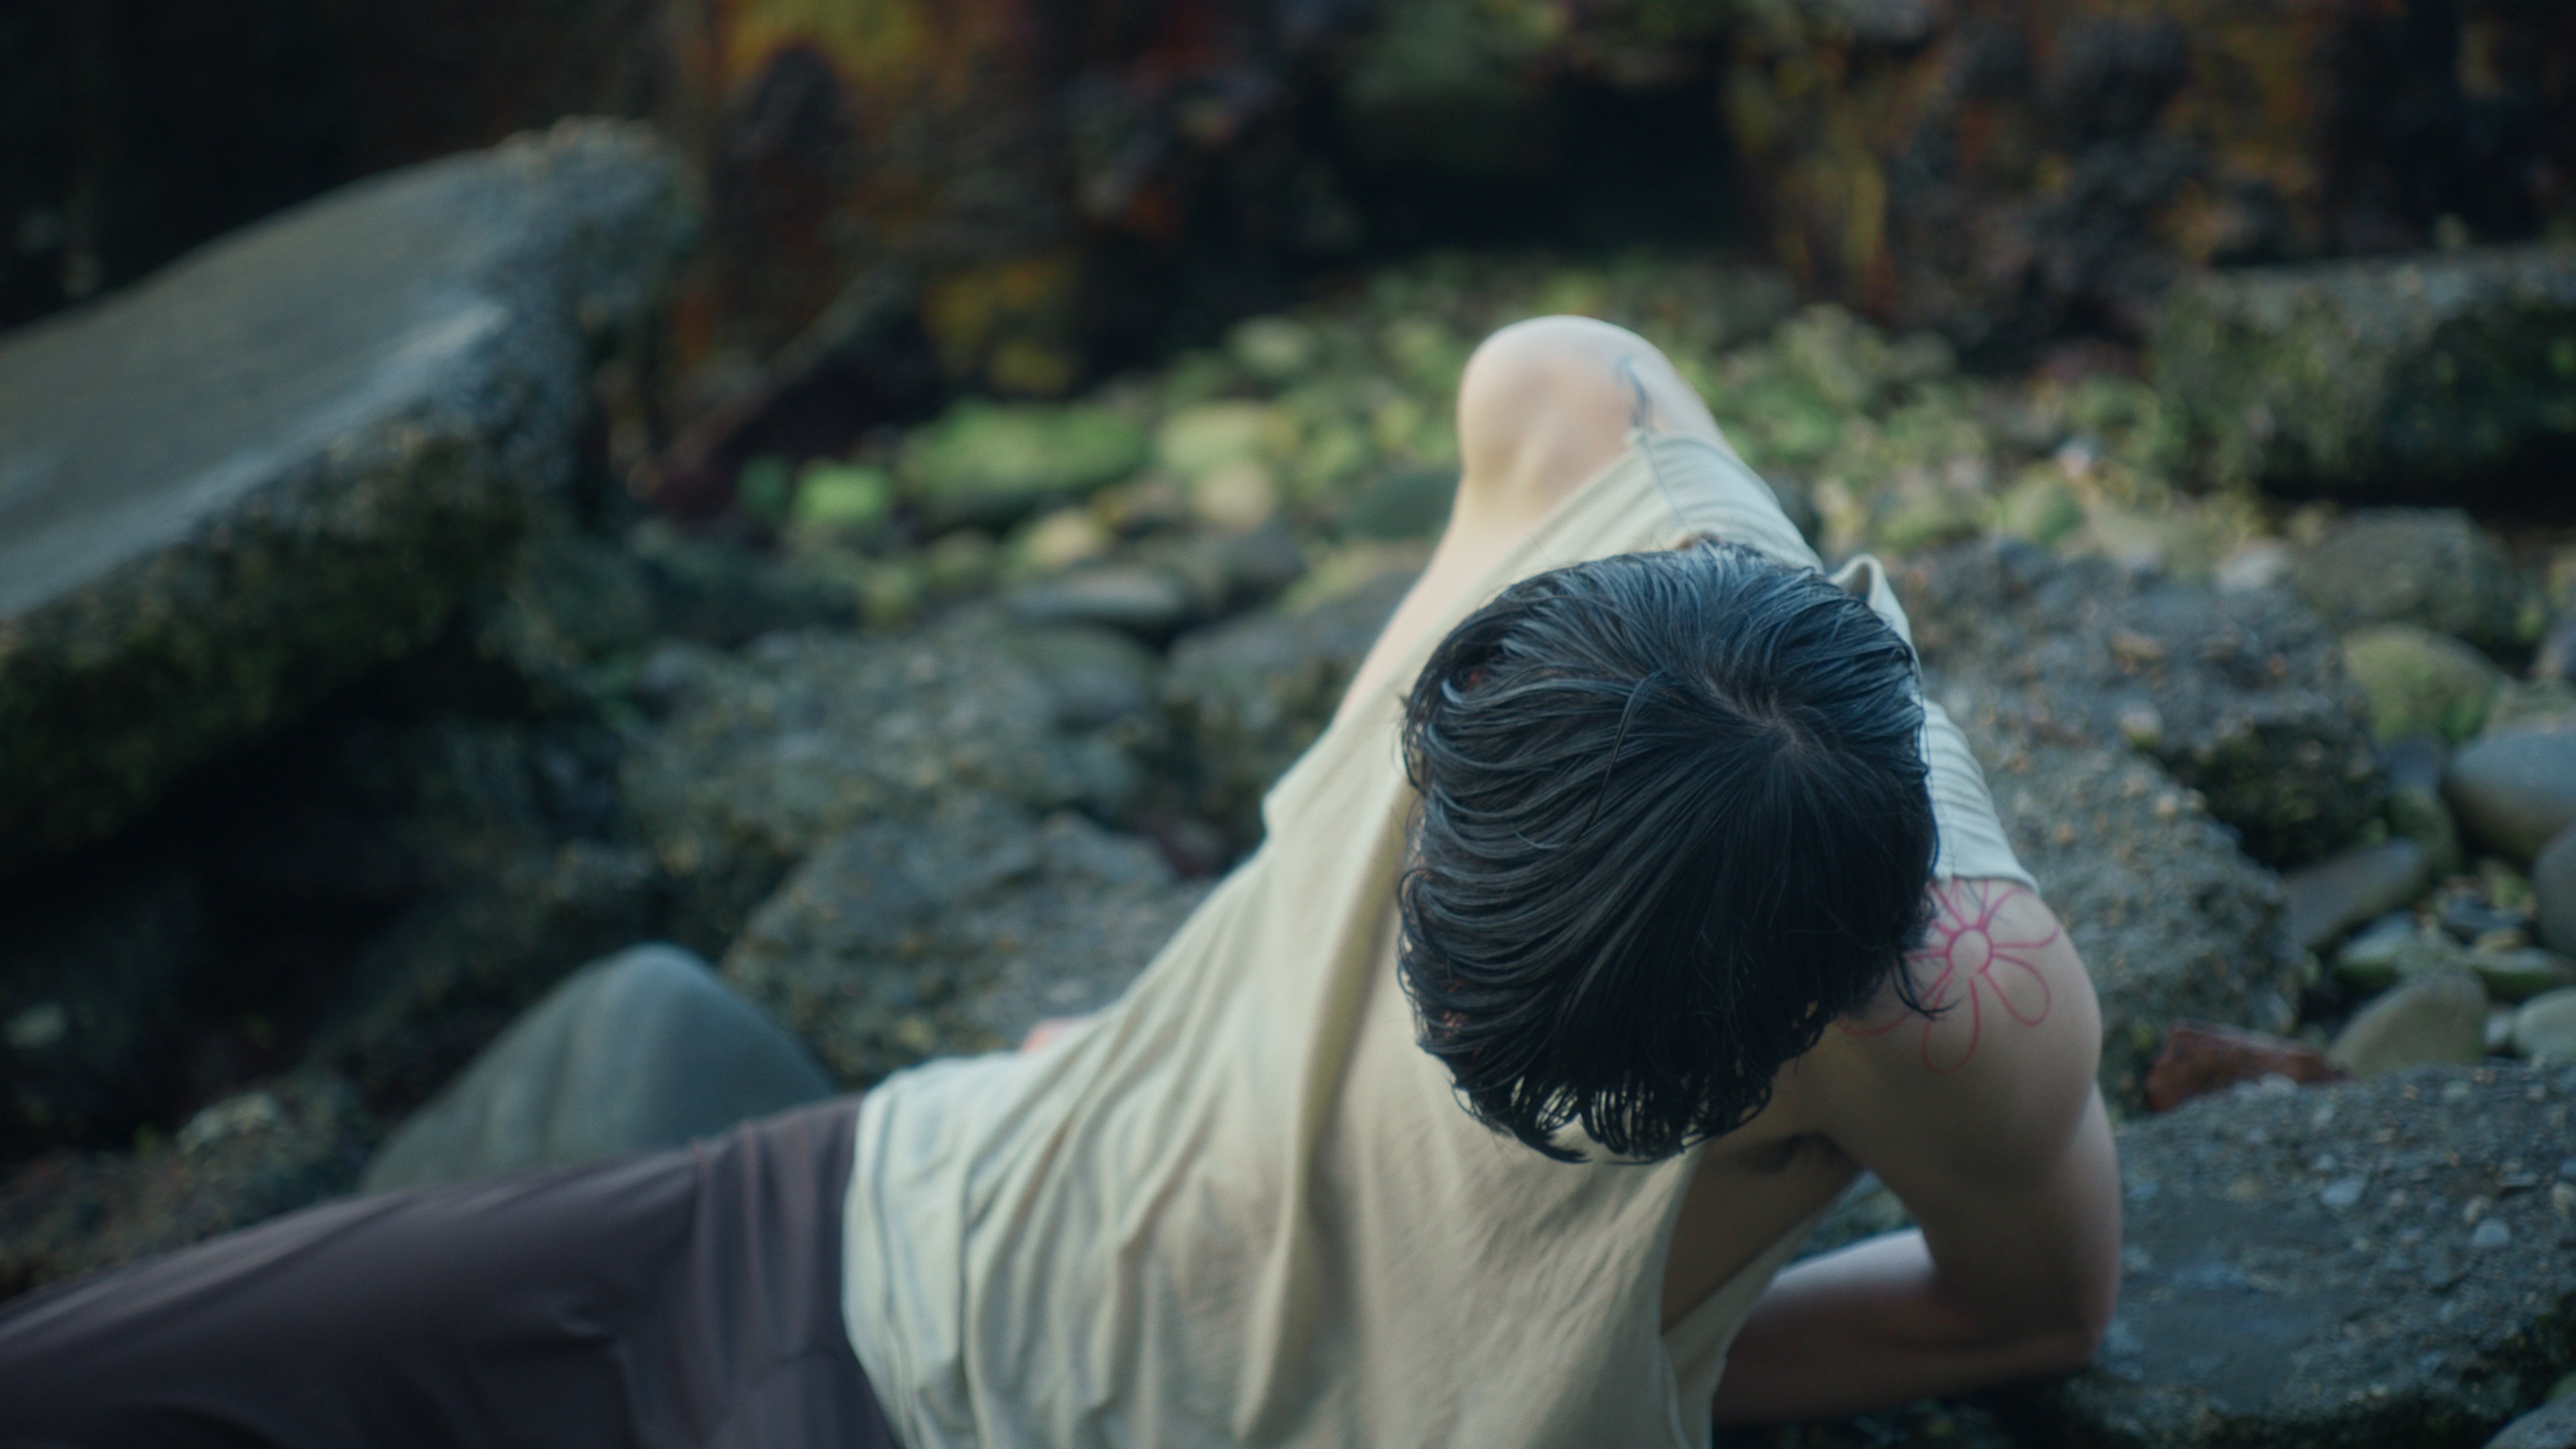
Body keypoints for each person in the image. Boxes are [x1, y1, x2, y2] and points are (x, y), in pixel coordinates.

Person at [0, 317, 2118, 1448]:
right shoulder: (1573, 426)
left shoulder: (1956, 1020)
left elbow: (2033, 1316)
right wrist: (1157, 1043)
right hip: (882, 1214)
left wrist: (1604, 1370)